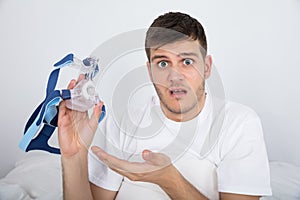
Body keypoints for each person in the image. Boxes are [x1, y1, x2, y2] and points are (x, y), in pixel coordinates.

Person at [57, 12, 272, 200]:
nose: (174, 76)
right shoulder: (123, 121)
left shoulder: (238, 123)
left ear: (206, 68)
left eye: (187, 62)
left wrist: (168, 179)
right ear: (150, 71)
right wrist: (74, 156)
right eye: (163, 63)